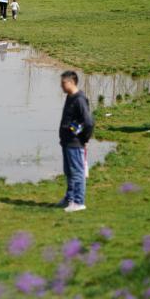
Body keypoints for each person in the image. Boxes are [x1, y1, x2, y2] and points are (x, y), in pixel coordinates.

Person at [58, 71, 94, 213]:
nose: (61, 86)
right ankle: (69, 198)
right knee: (69, 172)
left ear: (72, 82)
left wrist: (84, 139)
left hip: (75, 142)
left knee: (77, 172)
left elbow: (88, 122)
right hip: (66, 142)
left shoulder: (79, 99)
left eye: (63, 83)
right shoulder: (70, 97)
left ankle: (79, 202)